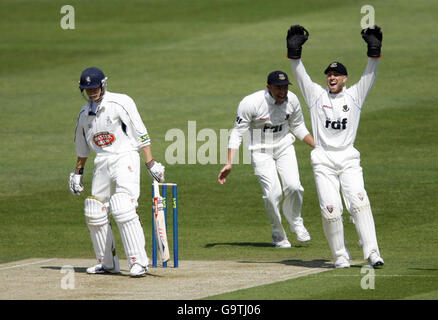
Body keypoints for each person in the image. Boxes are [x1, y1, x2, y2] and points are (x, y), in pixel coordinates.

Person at [286, 24, 384, 268]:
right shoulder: (316, 96)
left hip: (349, 159)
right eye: (329, 74)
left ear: (344, 79)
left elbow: (370, 75)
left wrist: (374, 50)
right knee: (331, 210)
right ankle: (340, 256)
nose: (331, 77)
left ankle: (372, 253)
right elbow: (300, 76)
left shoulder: (355, 96)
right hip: (323, 160)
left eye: (336, 74)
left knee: (359, 203)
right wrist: (294, 53)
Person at [69, 67, 165, 277]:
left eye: (95, 87)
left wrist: (151, 163)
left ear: (103, 84)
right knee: (94, 209)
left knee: (123, 206)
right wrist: (78, 172)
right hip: (102, 160)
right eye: (88, 89)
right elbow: (82, 146)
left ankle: (138, 261)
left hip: (125, 156)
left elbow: (140, 131)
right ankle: (107, 263)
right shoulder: (84, 114)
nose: (92, 91)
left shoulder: (121, 102)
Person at [218, 70, 315, 248]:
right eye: (278, 88)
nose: (283, 92)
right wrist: (229, 162)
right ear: (268, 87)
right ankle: (279, 236)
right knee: (272, 194)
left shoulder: (292, 100)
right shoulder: (251, 103)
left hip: (284, 146)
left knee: (294, 186)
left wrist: (316, 146)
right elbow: (237, 133)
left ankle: (296, 222)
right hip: (260, 150)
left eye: (285, 87)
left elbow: (298, 126)